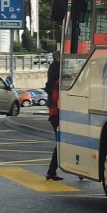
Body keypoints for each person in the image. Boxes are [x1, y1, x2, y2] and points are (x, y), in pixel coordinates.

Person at [45, 51, 64, 181]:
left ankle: (52, 171)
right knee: (60, 144)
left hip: (54, 115)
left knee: (60, 144)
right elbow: (58, 102)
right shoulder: (58, 82)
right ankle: (51, 171)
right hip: (57, 115)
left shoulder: (53, 78)